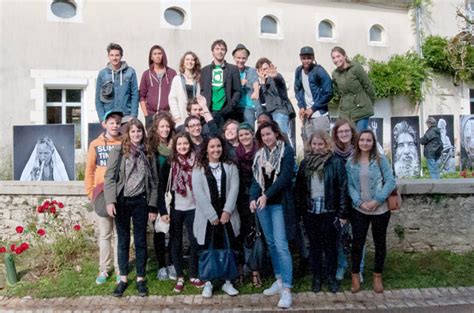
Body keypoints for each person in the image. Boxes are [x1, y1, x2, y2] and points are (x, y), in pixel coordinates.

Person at [104, 118, 158, 297]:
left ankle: (141, 278)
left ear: (143, 133)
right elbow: (110, 177)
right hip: (122, 201)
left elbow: (155, 181)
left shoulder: (148, 152)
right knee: (123, 240)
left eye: (139, 131)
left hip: (141, 201)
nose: (136, 134)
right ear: (128, 133)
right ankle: (123, 278)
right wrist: (110, 201)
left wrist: (152, 206)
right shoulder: (119, 150)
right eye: (133, 131)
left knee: (141, 240)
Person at [295, 131, 348, 293]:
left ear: (327, 145)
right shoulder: (305, 164)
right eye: (314, 144)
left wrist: (343, 213)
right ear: (310, 145)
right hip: (311, 212)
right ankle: (317, 277)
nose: (317, 147)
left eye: (320, 144)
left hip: (329, 211)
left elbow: (342, 188)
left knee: (331, 246)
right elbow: (299, 189)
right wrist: (300, 212)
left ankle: (331, 277)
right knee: (315, 246)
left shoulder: (336, 162)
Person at [250, 121, 296, 309]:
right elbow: (256, 180)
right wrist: (253, 198)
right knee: (271, 244)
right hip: (262, 206)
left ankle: (287, 290)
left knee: (281, 245)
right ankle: (278, 280)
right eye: (263, 136)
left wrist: (266, 196)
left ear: (276, 133)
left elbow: (285, 178)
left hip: (278, 205)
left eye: (269, 134)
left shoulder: (287, 152)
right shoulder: (260, 155)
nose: (266, 138)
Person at [346, 130, 396, 294]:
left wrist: (378, 200)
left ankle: (377, 275)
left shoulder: (380, 160)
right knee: (357, 244)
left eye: (368, 140)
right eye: (362, 140)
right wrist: (359, 202)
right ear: (357, 142)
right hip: (359, 209)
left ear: (373, 143)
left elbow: (390, 181)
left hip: (380, 209)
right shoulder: (351, 162)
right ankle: (355, 275)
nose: (365, 143)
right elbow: (350, 186)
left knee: (379, 243)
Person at [192, 135, 241, 298]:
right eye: (212, 147)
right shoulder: (198, 168)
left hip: (227, 214)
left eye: (218, 146)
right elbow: (198, 193)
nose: (216, 149)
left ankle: (228, 281)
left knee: (228, 247)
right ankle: (208, 282)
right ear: (206, 149)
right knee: (208, 248)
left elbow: (234, 188)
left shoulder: (230, 166)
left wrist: (227, 211)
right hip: (207, 217)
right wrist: (212, 215)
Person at [157, 132, 205, 293]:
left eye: (185, 144)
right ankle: (179, 276)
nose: (183, 147)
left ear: (189, 145)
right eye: (179, 144)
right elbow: (161, 188)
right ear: (175, 147)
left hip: (194, 207)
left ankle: (193, 274)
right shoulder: (169, 164)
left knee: (195, 241)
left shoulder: (197, 162)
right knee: (175, 243)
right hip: (175, 208)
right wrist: (163, 211)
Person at [85, 110, 123, 285]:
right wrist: (90, 192)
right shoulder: (95, 144)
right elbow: (89, 170)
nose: (115, 126)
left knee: (120, 234)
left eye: (118, 123)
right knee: (105, 234)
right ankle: (104, 269)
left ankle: (119, 267)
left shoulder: (124, 142)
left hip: (120, 192)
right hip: (101, 194)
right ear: (104, 124)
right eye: (112, 122)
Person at [331, 119, 366, 283]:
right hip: (340, 201)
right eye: (340, 132)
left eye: (347, 131)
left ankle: (359, 269)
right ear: (336, 134)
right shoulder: (332, 152)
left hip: (359, 200)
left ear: (352, 133)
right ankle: (341, 265)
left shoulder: (361, 149)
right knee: (339, 236)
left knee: (359, 237)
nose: (344, 134)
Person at [147, 112, 177, 281]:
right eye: (162, 127)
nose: (165, 129)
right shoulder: (151, 148)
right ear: (156, 129)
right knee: (159, 231)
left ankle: (172, 263)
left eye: (167, 126)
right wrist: (153, 205)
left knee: (173, 230)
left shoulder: (175, 144)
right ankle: (161, 266)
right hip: (156, 193)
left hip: (173, 194)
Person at [234, 122, 262, 287]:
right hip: (240, 199)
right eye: (241, 135)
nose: (244, 137)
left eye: (247, 134)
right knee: (243, 233)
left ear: (252, 134)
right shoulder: (235, 154)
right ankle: (242, 269)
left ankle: (256, 270)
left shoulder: (260, 152)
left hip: (257, 196)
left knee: (257, 233)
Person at [331, 47, 375, 132]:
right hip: (345, 112)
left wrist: (368, 103)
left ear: (344, 56)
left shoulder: (356, 68)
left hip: (361, 110)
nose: (336, 60)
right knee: (347, 139)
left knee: (359, 138)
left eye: (338, 56)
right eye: (334, 58)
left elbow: (368, 86)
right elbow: (338, 92)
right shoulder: (335, 74)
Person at [294, 46, 332, 142]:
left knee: (323, 145)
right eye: (304, 58)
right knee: (308, 146)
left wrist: (313, 108)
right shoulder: (298, 71)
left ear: (313, 58)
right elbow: (298, 90)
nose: (306, 61)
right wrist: (301, 106)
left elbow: (329, 92)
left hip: (320, 115)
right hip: (307, 116)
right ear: (300, 58)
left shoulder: (319, 71)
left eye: (309, 58)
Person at [200, 39, 241, 128]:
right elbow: (202, 91)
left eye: (222, 49)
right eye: (217, 49)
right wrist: (205, 108)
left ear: (225, 52)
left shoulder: (233, 69)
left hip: (227, 112)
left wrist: (231, 106)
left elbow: (237, 90)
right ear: (213, 51)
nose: (220, 51)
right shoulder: (205, 70)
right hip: (210, 111)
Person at [96, 43, 138, 123]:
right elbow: (98, 99)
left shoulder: (130, 72)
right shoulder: (102, 74)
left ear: (121, 56)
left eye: (117, 55)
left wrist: (133, 115)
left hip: (127, 117)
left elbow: (135, 95)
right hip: (108, 118)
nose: (114, 58)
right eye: (112, 55)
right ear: (108, 56)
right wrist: (102, 118)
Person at [139, 45, 177, 129]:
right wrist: (146, 116)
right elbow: (142, 96)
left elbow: (176, 94)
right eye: (155, 54)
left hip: (167, 115)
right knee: (152, 141)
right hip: (151, 116)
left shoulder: (171, 73)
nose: (157, 56)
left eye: (159, 53)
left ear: (163, 55)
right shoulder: (146, 74)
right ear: (151, 57)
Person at [256, 57, 293, 135]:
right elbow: (262, 100)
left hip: (280, 111)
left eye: (266, 69)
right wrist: (262, 83)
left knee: (281, 135)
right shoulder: (262, 83)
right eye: (261, 70)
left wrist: (275, 76)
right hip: (269, 114)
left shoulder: (275, 77)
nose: (264, 72)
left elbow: (278, 80)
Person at [169, 51, 202, 127]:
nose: (190, 62)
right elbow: (172, 99)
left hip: (195, 117)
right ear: (183, 63)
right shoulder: (177, 79)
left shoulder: (198, 79)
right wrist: (177, 117)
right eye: (187, 59)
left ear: (195, 63)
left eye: (192, 60)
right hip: (181, 117)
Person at [232, 44, 260, 126]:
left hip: (248, 106)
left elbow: (255, 82)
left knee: (249, 131)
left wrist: (256, 92)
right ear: (234, 58)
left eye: (243, 58)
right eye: (238, 58)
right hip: (234, 107)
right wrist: (238, 83)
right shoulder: (231, 71)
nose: (241, 60)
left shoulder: (251, 70)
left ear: (247, 58)